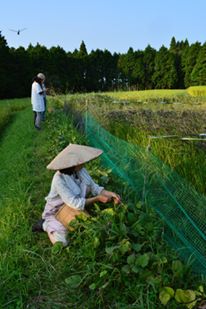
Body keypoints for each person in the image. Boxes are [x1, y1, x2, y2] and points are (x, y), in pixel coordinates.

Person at [41, 143, 121, 246]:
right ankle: (45, 224)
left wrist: (111, 194)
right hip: (57, 210)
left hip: (75, 206)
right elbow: (74, 203)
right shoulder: (59, 179)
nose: (83, 162)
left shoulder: (81, 170)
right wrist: (97, 199)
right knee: (63, 242)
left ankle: (79, 218)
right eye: (80, 161)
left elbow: (94, 187)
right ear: (72, 165)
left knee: (85, 226)